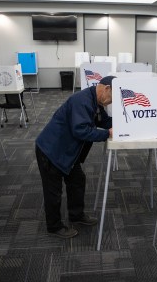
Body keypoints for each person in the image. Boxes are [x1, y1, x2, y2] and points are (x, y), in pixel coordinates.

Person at [35, 76, 116, 238]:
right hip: (51, 151)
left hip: (67, 152)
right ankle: (54, 226)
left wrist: (124, 124)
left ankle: (76, 215)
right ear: (106, 89)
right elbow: (81, 130)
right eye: (113, 98)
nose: (111, 102)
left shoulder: (96, 102)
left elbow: (105, 121)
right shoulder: (83, 100)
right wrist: (107, 134)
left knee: (77, 180)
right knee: (53, 191)